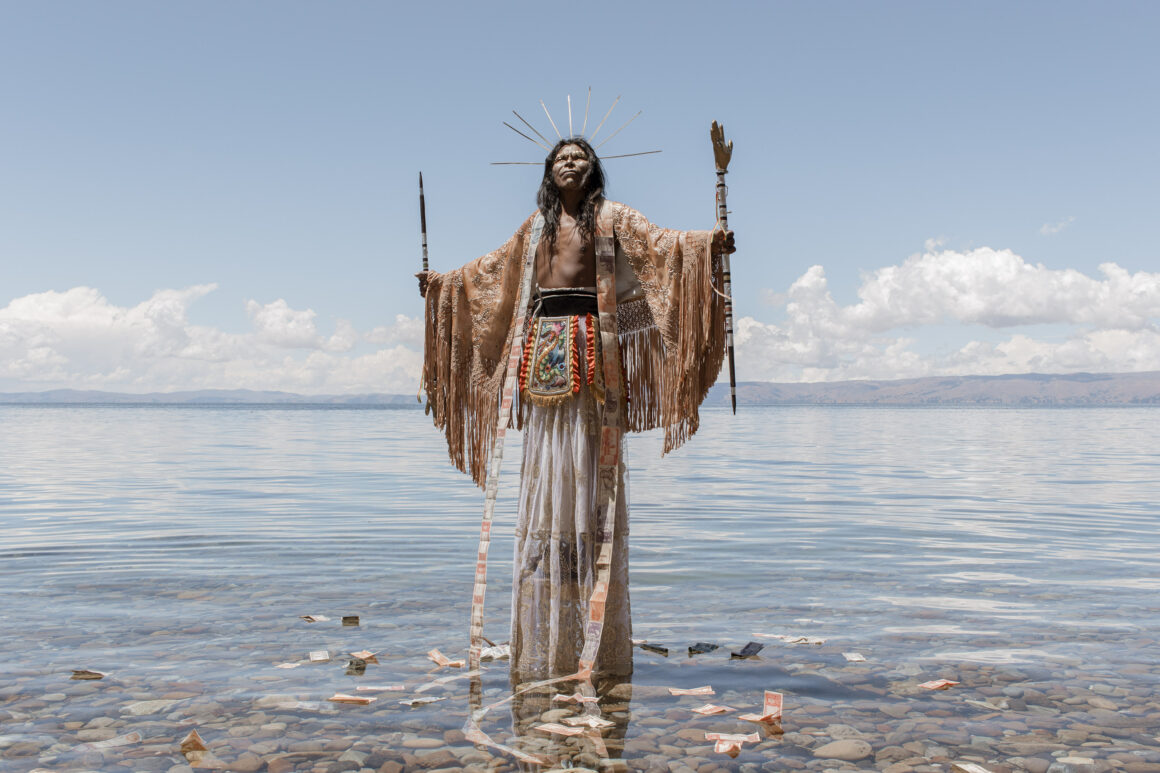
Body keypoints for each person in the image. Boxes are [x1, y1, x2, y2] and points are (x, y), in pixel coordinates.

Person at [417, 136, 734, 680]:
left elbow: (665, 246)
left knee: (591, 467)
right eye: (561, 157)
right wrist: (443, 285)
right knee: (546, 469)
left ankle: (587, 562)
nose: (569, 162)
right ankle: (555, 562)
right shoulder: (534, 227)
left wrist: (709, 243)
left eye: (579, 156)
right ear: (548, 170)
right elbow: (489, 273)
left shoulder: (614, 217)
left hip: (595, 348)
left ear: (593, 168)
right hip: (543, 351)